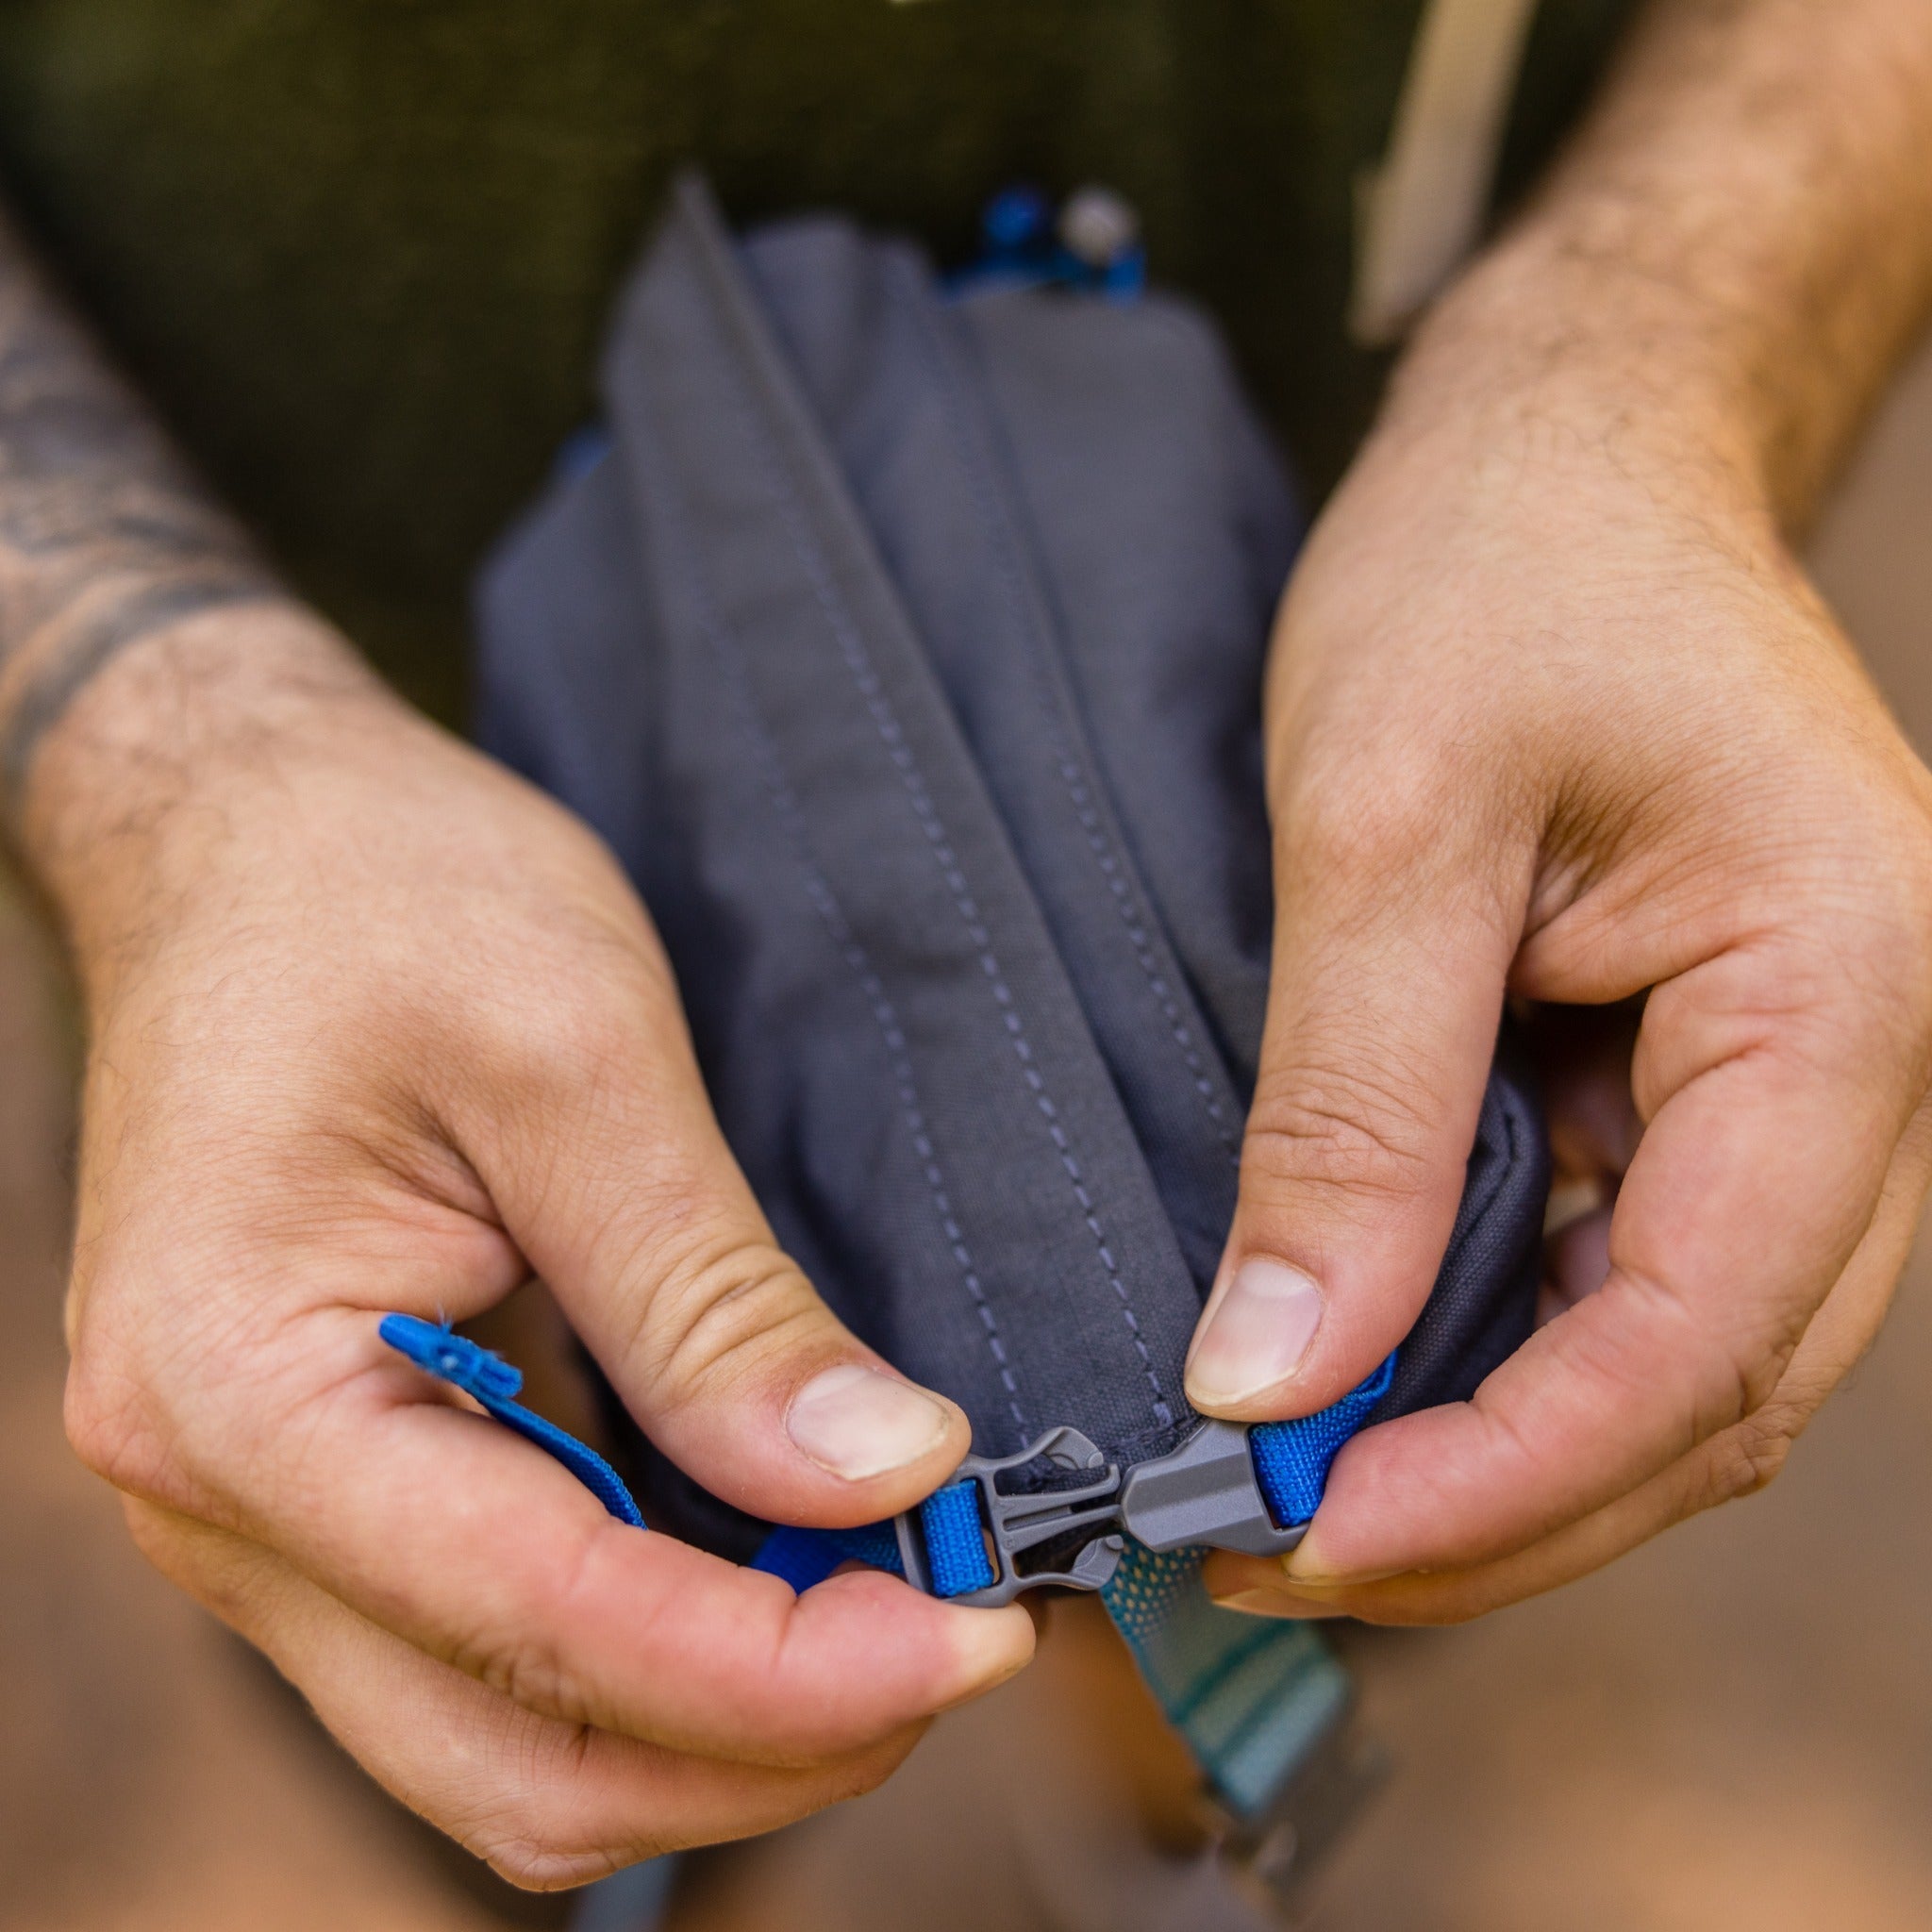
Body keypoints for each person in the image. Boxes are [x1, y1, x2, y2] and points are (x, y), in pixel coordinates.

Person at [2, 0, 1930, 1892]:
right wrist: (163, 753)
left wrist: (1638, 367)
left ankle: (1183, 1817)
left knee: (1329, 1538)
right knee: (501, 1657)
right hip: (347, 928)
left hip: (1403, 704)